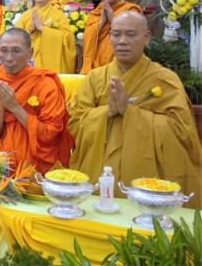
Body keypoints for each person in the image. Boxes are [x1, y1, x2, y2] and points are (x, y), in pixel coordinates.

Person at [69, 12, 201, 207]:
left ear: (146, 37)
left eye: (130, 34)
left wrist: (129, 112)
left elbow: (182, 132)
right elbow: (75, 123)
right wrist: (107, 112)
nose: (122, 41)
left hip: (148, 179)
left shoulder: (165, 80)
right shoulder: (95, 78)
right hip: (99, 174)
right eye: (116, 34)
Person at [0, 28, 74, 174]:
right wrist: (1, 108)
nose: (9, 58)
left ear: (30, 53)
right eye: (3, 50)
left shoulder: (45, 83)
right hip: (2, 165)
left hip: (37, 167)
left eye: (17, 51)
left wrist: (14, 107)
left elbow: (50, 133)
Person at [81, 0, 143, 74]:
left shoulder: (129, 9)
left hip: (121, 59)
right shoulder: (95, 13)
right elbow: (87, 37)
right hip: (97, 62)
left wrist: (112, 18)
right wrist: (102, 21)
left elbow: (133, 33)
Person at [15, 0, 76, 73]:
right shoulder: (26, 16)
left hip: (50, 64)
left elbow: (68, 40)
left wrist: (42, 29)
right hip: (29, 62)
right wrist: (30, 31)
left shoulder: (59, 15)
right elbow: (15, 39)